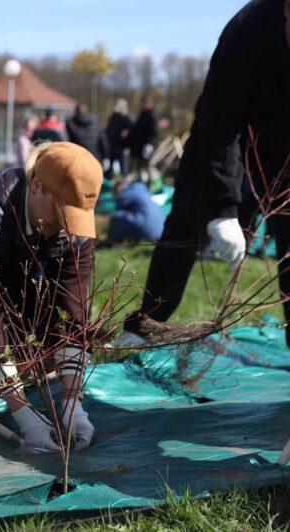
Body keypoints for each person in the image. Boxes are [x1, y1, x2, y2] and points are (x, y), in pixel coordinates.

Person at [120, 0, 290, 346]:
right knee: (185, 228)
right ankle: (146, 325)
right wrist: (224, 208)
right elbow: (221, 124)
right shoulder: (246, 31)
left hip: (284, 153)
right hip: (224, 137)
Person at [0, 142, 102, 453]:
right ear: (36, 186)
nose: (67, 229)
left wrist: (72, 403)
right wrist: (23, 414)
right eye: (61, 215)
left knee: (37, 362)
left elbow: (74, 309)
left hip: (25, 289)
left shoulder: (73, 231)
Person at [108, 180, 166, 244]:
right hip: (161, 230)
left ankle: (112, 243)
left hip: (146, 228)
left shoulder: (124, 194)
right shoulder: (141, 190)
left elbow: (118, 210)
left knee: (116, 217)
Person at [128, 96, 159, 181]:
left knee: (145, 167)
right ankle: (139, 183)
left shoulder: (152, 115)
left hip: (146, 146)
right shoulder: (142, 114)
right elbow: (137, 129)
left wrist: (150, 144)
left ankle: (149, 184)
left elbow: (154, 132)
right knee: (138, 168)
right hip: (138, 146)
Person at [105, 99, 133, 178]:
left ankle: (125, 185)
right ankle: (107, 185)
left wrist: (128, 131)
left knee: (124, 170)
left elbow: (134, 130)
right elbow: (108, 130)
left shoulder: (129, 118)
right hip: (112, 146)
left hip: (122, 147)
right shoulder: (114, 116)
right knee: (108, 169)